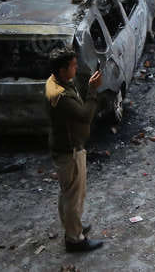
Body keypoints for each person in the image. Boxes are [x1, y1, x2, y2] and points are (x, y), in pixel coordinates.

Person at [45, 46, 104, 253]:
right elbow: (85, 115)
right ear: (62, 70)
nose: (76, 68)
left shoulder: (54, 81)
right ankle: (75, 239)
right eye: (73, 66)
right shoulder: (61, 97)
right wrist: (93, 90)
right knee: (74, 195)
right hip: (69, 151)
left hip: (64, 147)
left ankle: (73, 227)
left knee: (67, 193)